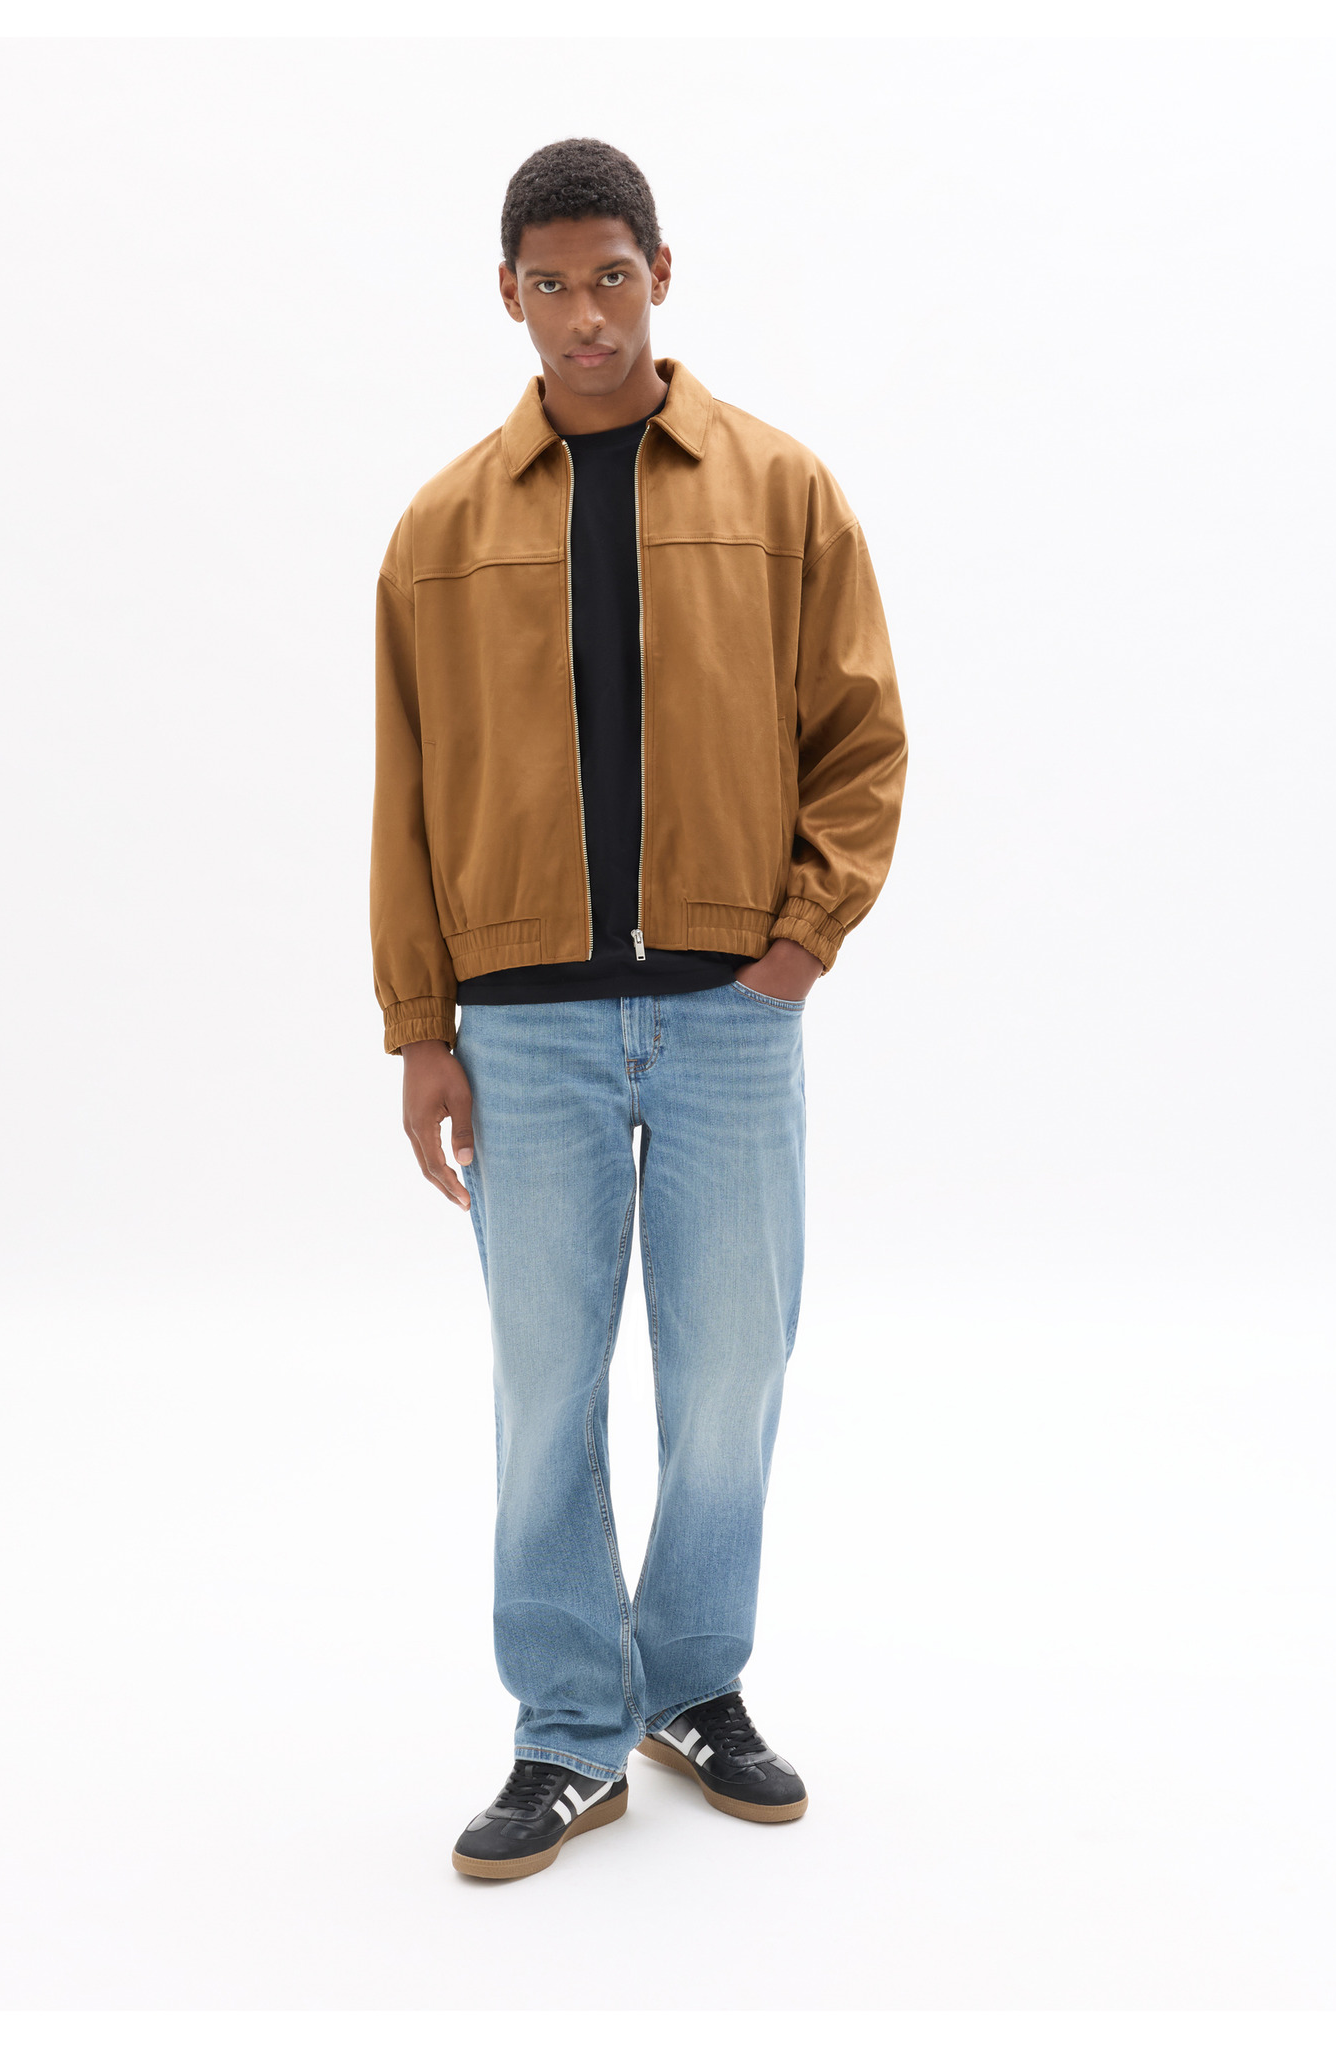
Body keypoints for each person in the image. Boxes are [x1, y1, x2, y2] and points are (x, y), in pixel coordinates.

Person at [370, 138, 907, 1882]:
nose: (585, 313)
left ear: (660, 273)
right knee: (544, 1388)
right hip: (521, 1029)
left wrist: (801, 942)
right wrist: (423, 1029)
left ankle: (691, 1685)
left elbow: (862, 735)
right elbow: (407, 793)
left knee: (731, 1369)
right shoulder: (442, 529)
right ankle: (563, 1729)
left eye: (611, 275)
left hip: (729, 1009)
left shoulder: (783, 490)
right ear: (507, 294)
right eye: (550, 283)